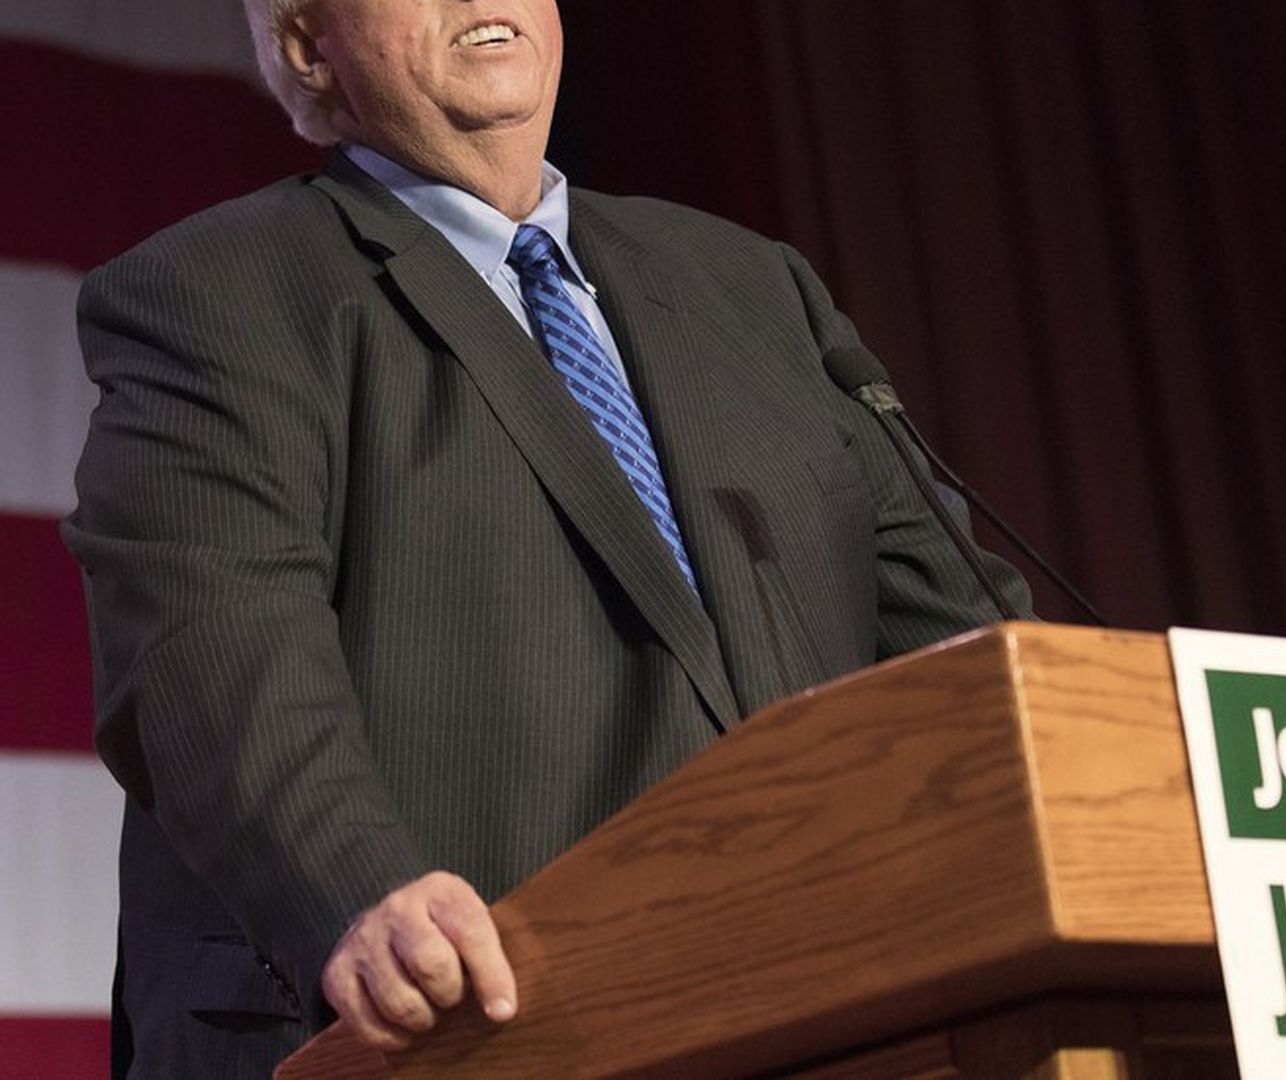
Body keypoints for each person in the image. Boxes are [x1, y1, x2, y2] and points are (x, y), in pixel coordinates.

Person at [64, 0, 1030, 1074]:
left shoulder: (751, 286)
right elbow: (209, 647)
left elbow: (959, 638)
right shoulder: (223, 292)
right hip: (459, 1022)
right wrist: (359, 891)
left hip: (834, 1006)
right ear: (307, 47)